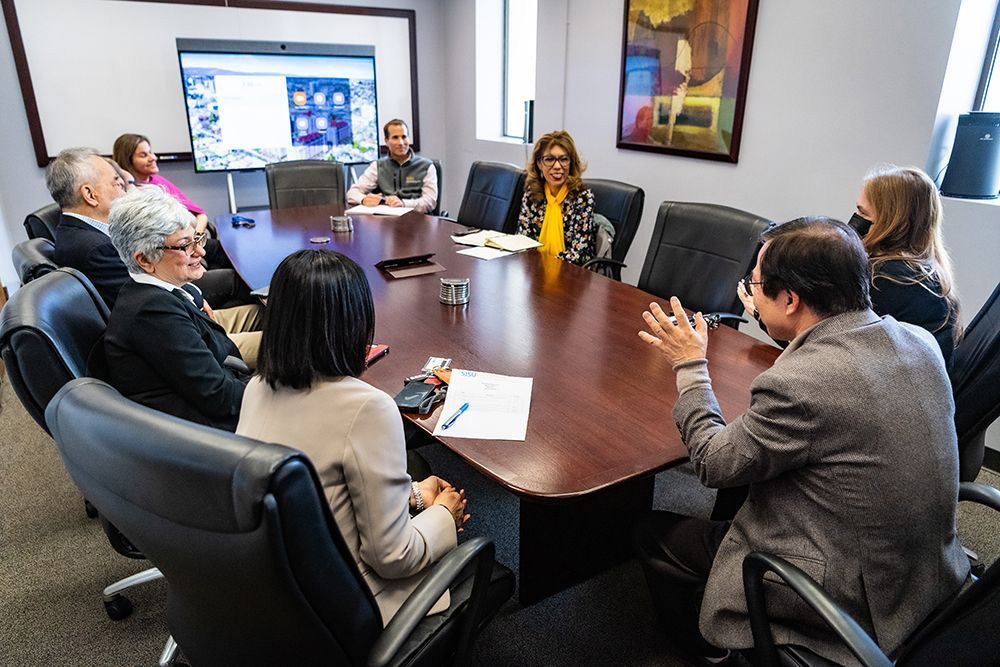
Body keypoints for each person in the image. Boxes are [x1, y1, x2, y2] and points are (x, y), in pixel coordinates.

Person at [634, 217, 969, 664]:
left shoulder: (801, 385)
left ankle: (707, 650)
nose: (750, 293)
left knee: (649, 531)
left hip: (849, 593)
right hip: (928, 573)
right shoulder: (918, 342)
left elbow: (713, 465)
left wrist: (690, 365)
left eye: (755, 284)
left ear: (791, 299)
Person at [236, 249, 468, 624]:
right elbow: (393, 558)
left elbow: (322, 495)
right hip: (346, 605)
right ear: (355, 323)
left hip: (282, 588)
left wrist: (411, 497)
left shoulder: (256, 388)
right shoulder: (368, 409)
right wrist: (444, 515)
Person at [104, 187, 260, 430]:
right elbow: (219, 397)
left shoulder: (158, 289)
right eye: (186, 246)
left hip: (224, 381)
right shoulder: (152, 313)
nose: (201, 251)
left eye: (197, 239)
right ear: (145, 259)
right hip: (213, 431)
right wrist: (276, 397)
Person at [47, 147, 250, 310]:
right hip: (168, 317)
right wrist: (195, 298)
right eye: (118, 183)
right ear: (90, 195)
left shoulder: (79, 232)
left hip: (172, 299)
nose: (126, 190)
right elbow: (147, 296)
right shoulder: (95, 249)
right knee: (238, 282)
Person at [851, 164, 961, 365]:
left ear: (896, 224)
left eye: (864, 214)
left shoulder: (887, 278)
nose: (856, 222)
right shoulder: (923, 271)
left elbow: (827, 339)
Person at [112, 132, 236, 275]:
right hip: (172, 252)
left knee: (225, 250)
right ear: (127, 160)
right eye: (143, 155)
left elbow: (200, 215)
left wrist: (195, 241)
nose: (153, 158)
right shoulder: (129, 195)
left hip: (188, 242)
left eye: (151, 152)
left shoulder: (158, 181)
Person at [516, 130, 596, 265]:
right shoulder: (532, 195)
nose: (557, 166)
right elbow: (523, 242)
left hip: (572, 275)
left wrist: (546, 266)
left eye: (564, 159)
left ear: (571, 163)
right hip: (534, 270)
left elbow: (578, 255)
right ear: (539, 164)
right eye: (549, 159)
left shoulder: (583, 198)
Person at [346, 119, 438, 214]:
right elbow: (352, 193)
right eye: (395, 137)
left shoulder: (426, 166)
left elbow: (430, 202)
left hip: (418, 220)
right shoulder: (378, 166)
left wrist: (403, 203)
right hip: (387, 221)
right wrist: (364, 199)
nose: (401, 143)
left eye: (404, 137)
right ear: (386, 141)